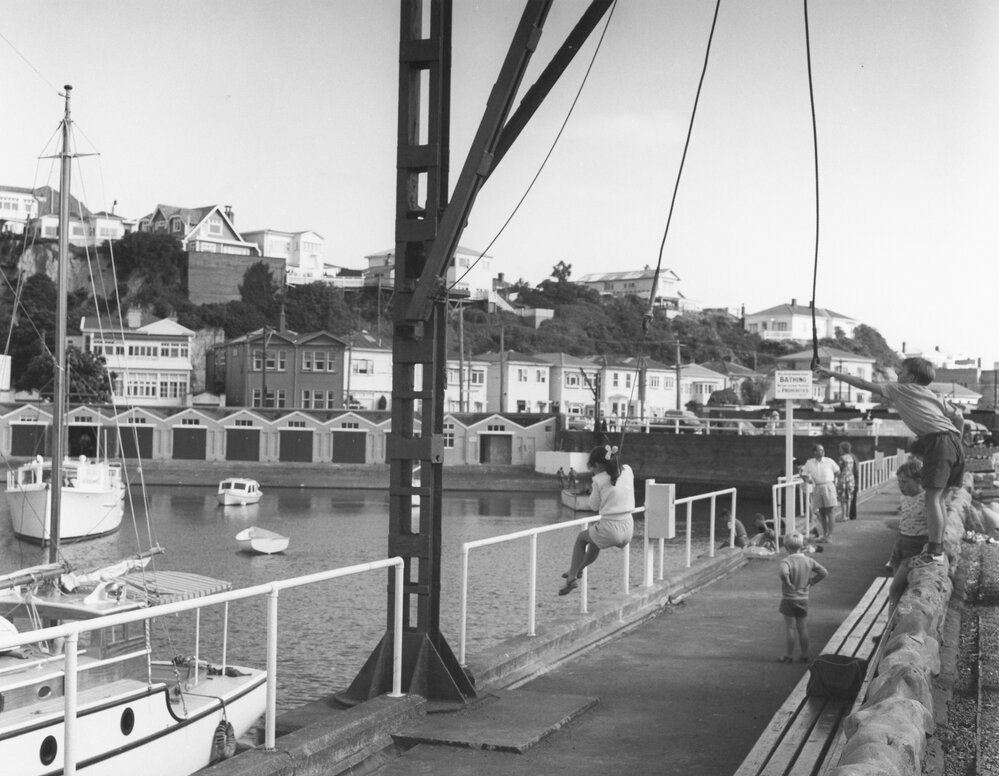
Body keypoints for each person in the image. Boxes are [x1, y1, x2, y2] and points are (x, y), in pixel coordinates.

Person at [816, 357, 964, 564]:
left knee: (932, 499)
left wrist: (832, 373)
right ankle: (936, 547)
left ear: (911, 377)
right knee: (938, 500)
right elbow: (959, 417)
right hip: (954, 442)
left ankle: (934, 551)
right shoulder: (933, 395)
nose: (897, 375)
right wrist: (959, 443)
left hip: (938, 442)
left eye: (901, 371)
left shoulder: (901, 389)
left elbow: (863, 383)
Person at [559, 445, 634, 596]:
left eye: (592, 468)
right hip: (628, 528)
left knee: (581, 539)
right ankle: (577, 569)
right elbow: (621, 470)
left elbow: (593, 506)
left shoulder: (599, 480)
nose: (592, 472)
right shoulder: (628, 470)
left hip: (611, 528)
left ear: (598, 466)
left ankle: (571, 578)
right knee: (593, 543)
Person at [777, 532, 828, 664]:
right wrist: (812, 581)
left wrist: (787, 581)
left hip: (789, 599)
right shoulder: (809, 561)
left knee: (789, 628)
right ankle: (804, 655)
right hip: (803, 599)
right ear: (802, 546)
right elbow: (823, 572)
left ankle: (788, 656)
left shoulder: (786, 561)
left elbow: (783, 572)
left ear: (786, 547)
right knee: (802, 627)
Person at [887, 460, 928, 608]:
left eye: (905, 482)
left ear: (919, 480)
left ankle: (890, 627)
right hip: (900, 544)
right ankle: (892, 626)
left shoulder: (928, 498)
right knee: (896, 589)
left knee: (895, 589)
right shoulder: (903, 498)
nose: (901, 486)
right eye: (899, 482)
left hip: (915, 548)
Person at [799, 444, 840, 542]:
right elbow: (803, 474)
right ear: (815, 452)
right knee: (821, 512)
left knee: (830, 511)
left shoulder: (829, 461)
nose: (822, 452)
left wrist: (831, 480)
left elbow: (837, 471)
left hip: (828, 485)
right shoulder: (810, 462)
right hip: (817, 486)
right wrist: (807, 479)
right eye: (819, 450)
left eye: (823, 450)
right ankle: (825, 533)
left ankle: (829, 535)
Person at [836, 441, 859, 521]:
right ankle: (848, 515)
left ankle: (843, 516)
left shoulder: (842, 458)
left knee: (843, 498)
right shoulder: (851, 457)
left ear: (843, 449)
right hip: (850, 478)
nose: (839, 450)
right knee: (849, 497)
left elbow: (839, 469)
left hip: (843, 479)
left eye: (840, 448)